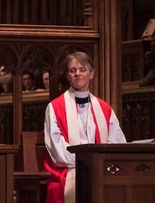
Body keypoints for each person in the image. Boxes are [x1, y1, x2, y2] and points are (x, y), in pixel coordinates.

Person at [43, 52, 127, 203]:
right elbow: (56, 147)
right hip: (68, 169)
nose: (78, 74)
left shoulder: (104, 108)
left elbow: (118, 143)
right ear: (67, 76)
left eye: (82, 69)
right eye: (72, 70)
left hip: (100, 167)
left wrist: (97, 163)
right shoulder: (55, 107)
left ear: (91, 74)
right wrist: (86, 163)